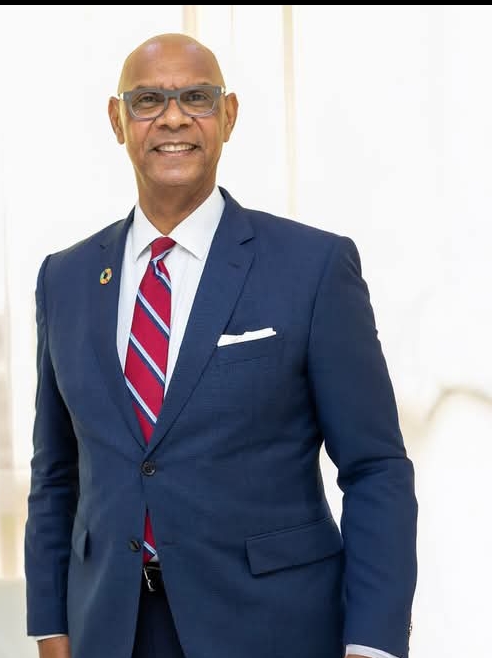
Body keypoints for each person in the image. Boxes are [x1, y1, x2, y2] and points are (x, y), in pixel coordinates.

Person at [23, 33, 417, 658]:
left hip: (272, 629)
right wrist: (50, 627)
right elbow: (55, 476)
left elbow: (376, 469)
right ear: (117, 121)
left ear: (228, 115)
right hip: (109, 630)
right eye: (148, 100)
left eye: (196, 98)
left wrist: (373, 644)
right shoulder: (64, 278)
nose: (173, 117)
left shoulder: (313, 267)